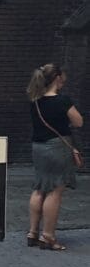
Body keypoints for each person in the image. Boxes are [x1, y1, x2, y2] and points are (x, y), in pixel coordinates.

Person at [26, 63, 83, 251]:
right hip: (57, 147)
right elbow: (78, 122)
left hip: (38, 147)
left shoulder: (35, 100)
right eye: (62, 79)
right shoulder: (62, 100)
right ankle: (48, 236)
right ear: (57, 78)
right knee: (54, 191)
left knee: (39, 188)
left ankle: (32, 232)